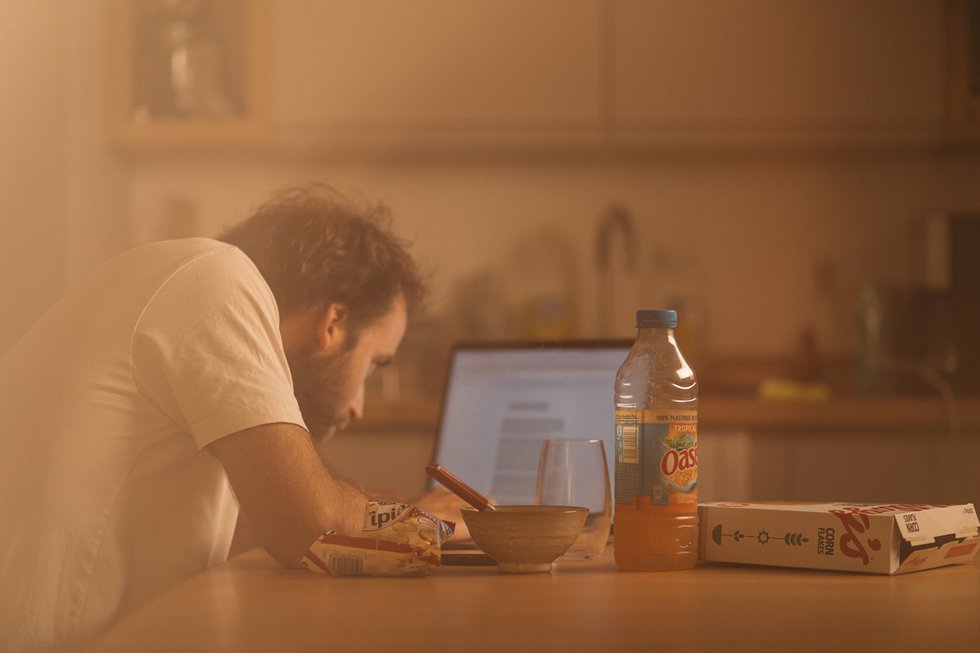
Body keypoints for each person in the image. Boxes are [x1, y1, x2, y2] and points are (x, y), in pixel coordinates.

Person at [0, 185, 466, 652]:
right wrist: (431, 524)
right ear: (333, 323)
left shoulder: (172, 279)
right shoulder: (217, 278)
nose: (358, 407)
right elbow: (310, 527)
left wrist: (389, 511)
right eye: (374, 364)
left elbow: (254, 528)